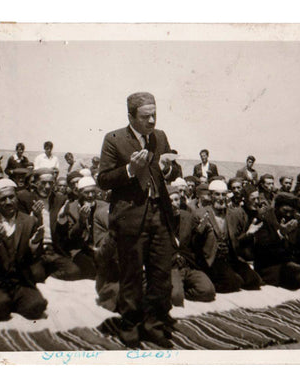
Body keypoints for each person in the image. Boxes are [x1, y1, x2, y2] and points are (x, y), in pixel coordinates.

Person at [97, 92, 175, 348]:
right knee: (131, 275)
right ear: (131, 116)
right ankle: (130, 325)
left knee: (161, 275)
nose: (152, 121)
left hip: (159, 215)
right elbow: (104, 179)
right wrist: (130, 170)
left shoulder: (160, 137)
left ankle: (154, 325)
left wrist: (167, 169)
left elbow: (174, 169)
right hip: (130, 217)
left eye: (154, 115)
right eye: (145, 116)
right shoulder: (114, 139)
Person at [0, 179, 47, 322]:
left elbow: (33, 259)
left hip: (20, 282)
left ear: (16, 197)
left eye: (11, 197)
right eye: (3, 199)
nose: (8, 202)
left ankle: (13, 301)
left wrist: (35, 243)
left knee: (37, 307)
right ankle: (0, 301)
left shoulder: (29, 221)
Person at [193, 180, 262, 293]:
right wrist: (200, 231)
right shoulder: (200, 214)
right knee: (233, 283)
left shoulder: (233, 214)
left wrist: (248, 233)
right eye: (217, 194)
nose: (221, 198)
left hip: (230, 258)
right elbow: (195, 245)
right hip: (212, 259)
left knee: (254, 280)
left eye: (223, 194)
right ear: (211, 196)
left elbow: (237, 242)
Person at [253, 192, 300, 293]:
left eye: (291, 211)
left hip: (289, 260)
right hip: (270, 265)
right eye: (285, 211)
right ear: (277, 208)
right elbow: (262, 248)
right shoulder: (264, 220)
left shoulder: (292, 219)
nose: (288, 214)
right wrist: (281, 233)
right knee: (294, 270)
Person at [168, 186, 215, 307]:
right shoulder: (159, 220)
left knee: (208, 291)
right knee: (176, 298)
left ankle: (182, 290)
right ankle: (176, 290)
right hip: (171, 267)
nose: (175, 204)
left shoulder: (187, 217)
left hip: (187, 265)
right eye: (171, 201)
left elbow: (195, 243)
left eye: (177, 200)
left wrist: (201, 232)